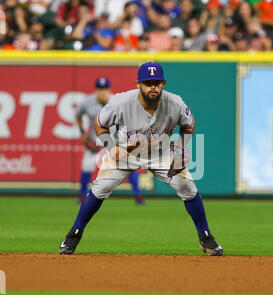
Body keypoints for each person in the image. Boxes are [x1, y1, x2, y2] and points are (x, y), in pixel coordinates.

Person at [59, 62, 223, 257]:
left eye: (156, 82)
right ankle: (74, 234)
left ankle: (205, 236)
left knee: (188, 187)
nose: (152, 87)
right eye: (147, 83)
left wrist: (181, 144)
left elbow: (189, 124)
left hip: (160, 153)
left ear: (163, 83)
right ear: (139, 84)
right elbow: (99, 123)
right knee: (100, 189)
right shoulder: (121, 102)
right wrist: (111, 147)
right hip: (126, 152)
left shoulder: (175, 103)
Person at [76, 77, 144, 205]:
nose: (103, 92)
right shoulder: (87, 102)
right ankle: (81, 196)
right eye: (100, 89)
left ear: (109, 90)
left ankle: (138, 196)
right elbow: (78, 114)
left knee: (129, 164)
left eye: (105, 89)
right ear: (96, 90)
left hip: (114, 140)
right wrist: (82, 133)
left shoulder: (117, 101)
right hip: (95, 140)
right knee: (86, 165)